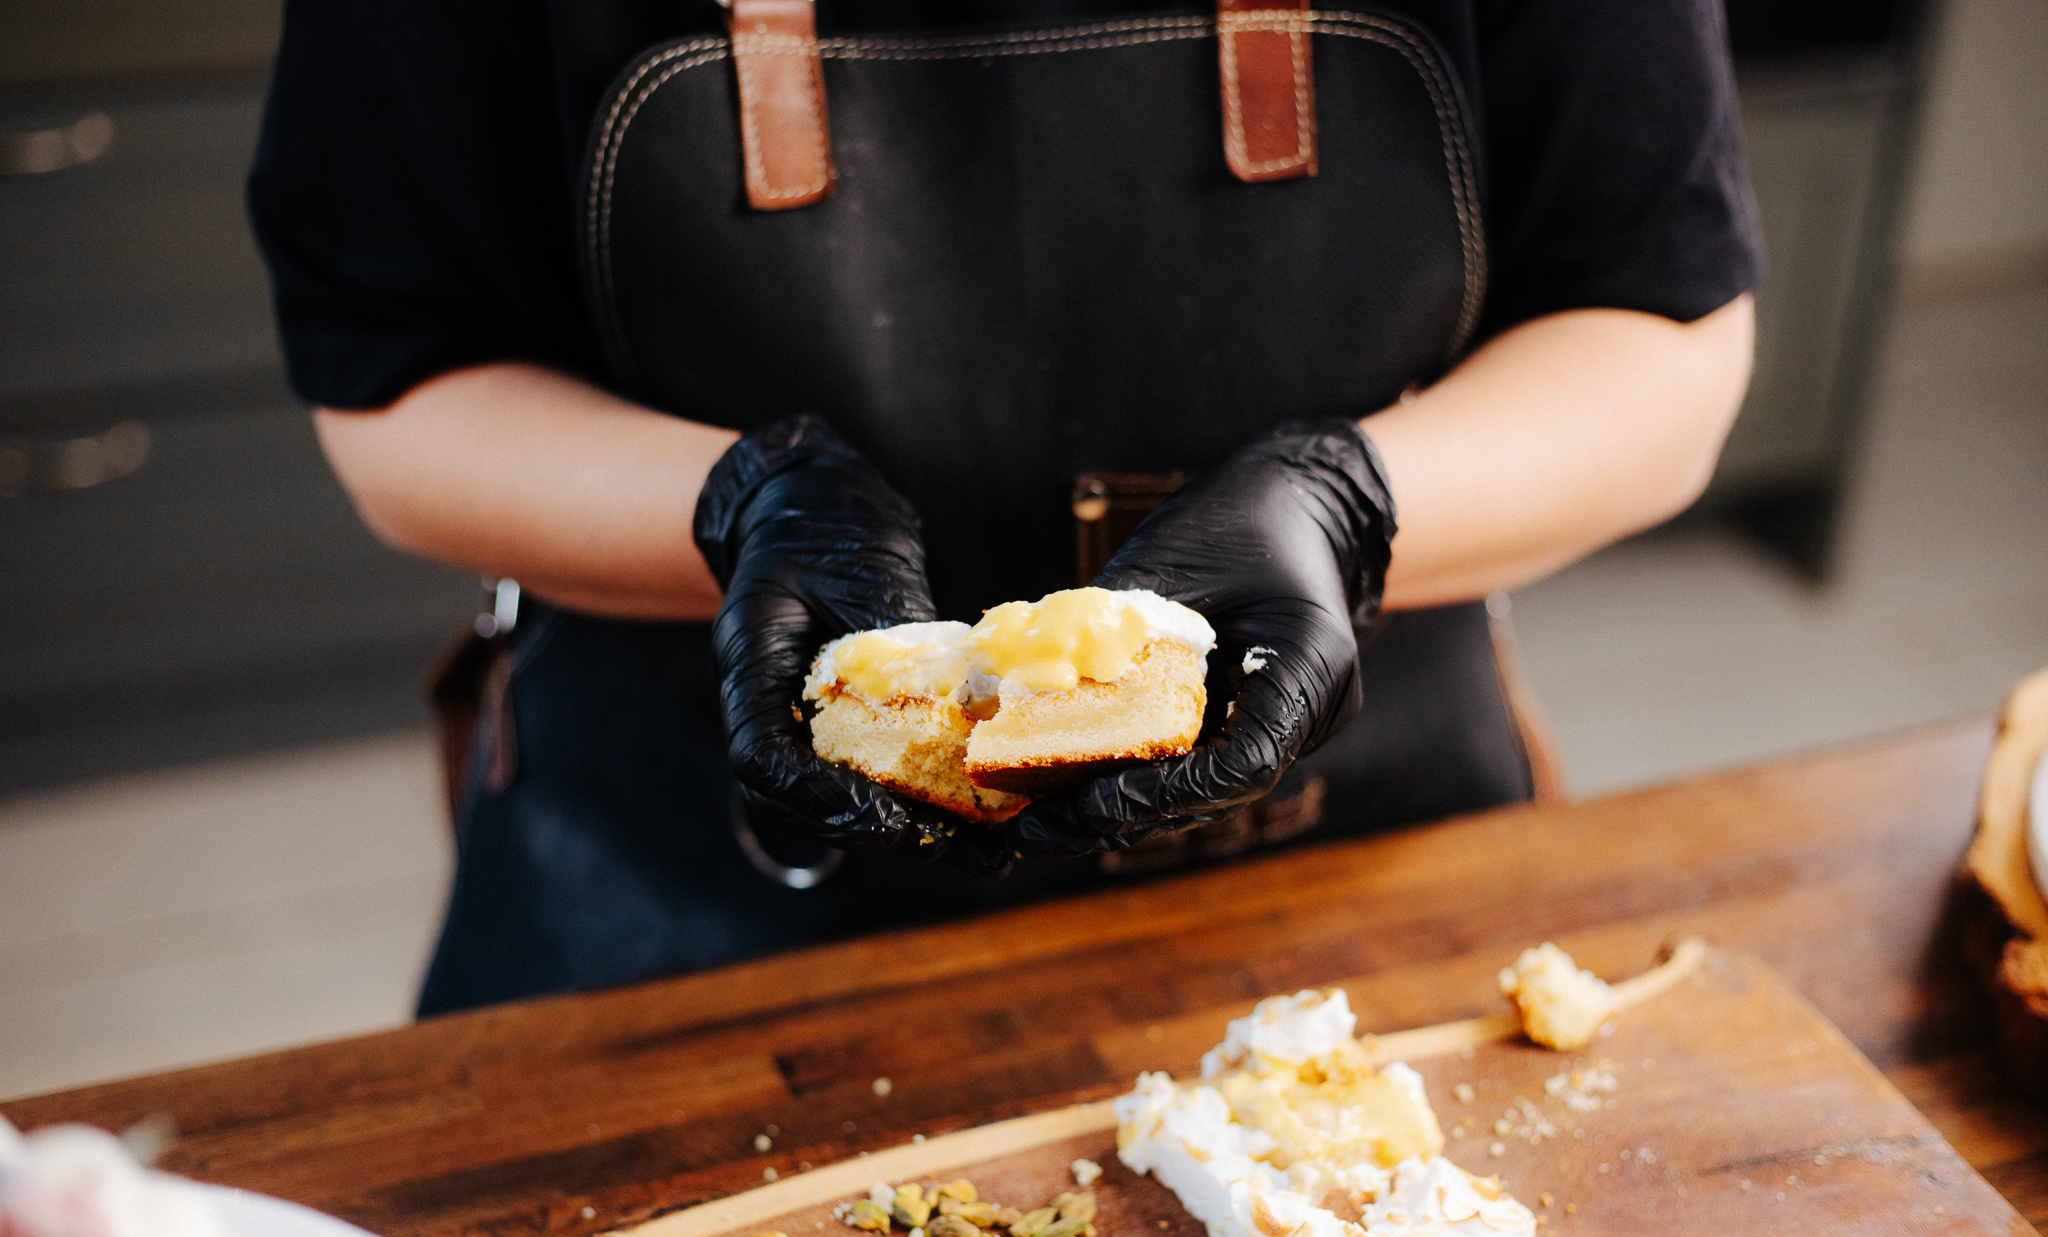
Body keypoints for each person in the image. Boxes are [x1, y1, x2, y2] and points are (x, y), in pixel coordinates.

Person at [249, 0, 1761, 1015]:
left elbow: (1665, 339)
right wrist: (740, 505)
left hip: (1354, 864)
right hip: (690, 896)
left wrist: (1348, 503)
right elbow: (400, 390)